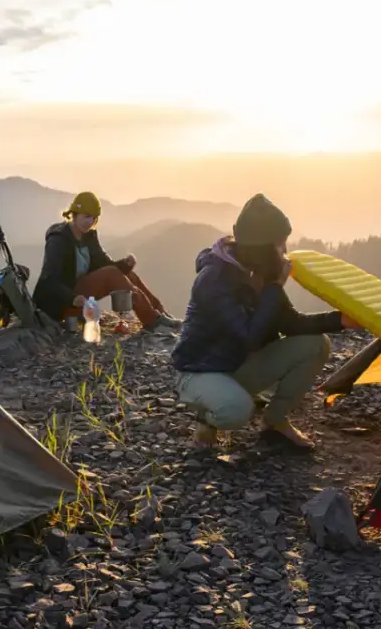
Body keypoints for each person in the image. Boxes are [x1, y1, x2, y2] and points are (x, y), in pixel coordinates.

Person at [170, 193, 359, 450]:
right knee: (237, 411)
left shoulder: (258, 272)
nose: (285, 251)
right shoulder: (214, 279)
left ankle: (275, 420)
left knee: (315, 344)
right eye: (280, 244)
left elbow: (290, 323)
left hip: (235, 364)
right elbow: (248, 337)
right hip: (200, 370)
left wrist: (341, 320)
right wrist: (275, 287)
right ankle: (207, 419)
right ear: (261, 248)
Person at [33, 191, 183, 332]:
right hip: (59, 303)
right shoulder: (58, 240)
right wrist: (72, 299)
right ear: (74, 214)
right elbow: (49, 280)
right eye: (86, 216)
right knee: (111, 273)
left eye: (94, 218)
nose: (90, 222)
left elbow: (106, 264)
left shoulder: (89, 237)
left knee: (130, 276)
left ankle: (160, 313)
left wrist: (125, 265)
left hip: (78, 293)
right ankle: (153, 321)